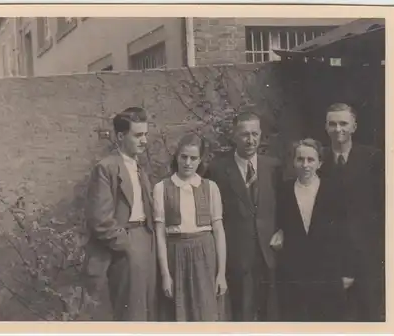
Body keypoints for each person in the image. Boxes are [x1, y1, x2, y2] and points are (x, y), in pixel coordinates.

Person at [205, 112, 282, 321]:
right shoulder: (217, 170)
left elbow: (285, 206)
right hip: (238, 256)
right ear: (234, 136)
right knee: (242, 316)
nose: (250, 140)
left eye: (255, 134)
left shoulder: (273, 167)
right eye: (245, 134)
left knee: (272, 316)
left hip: (270, 254)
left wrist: (282, 231)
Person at [83, 106, 157, 321]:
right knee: (131, 315)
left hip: (147, 241)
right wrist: (127, 246)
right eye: (138, 135)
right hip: (126, 245)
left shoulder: (139, 168)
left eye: (145, 135)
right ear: (121, 136)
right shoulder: (106, 168)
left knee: (149, 312)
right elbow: (100, 220)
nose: (144, 141)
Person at [270, 138, 355, 321]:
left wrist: (347, 270)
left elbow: (345, 232)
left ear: (320, 162)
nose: (305, 165)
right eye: (300, 159)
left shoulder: (333, 189)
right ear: (293, 162)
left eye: (311, 160)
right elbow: (281, 223)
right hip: (294, 275)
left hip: (328, 273)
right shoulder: (284, 191)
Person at [318, 103, 385, 322]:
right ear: (326, 127)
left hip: (367, 255)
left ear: (354, 126)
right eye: (333, 124)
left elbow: (384, 207)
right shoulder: (317, 162)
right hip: (330, 257)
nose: (338, 129)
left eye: (344, 123)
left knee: (370, 317)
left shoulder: (373, 159)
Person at [153, 133, 227, 321]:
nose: (187, 162)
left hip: (205, 255)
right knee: (178, 314)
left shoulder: (210, 187)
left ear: (200, 160)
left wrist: (221, 274)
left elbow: (218, 231)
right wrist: (165, 275)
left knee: (206, 313)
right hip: (175, 254)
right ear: (176, 157)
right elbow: (160, 235)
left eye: (193, 158)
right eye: (183, 157)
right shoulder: (162, 188)